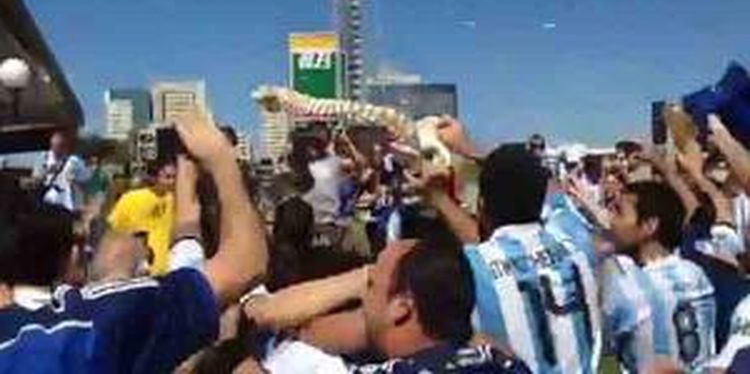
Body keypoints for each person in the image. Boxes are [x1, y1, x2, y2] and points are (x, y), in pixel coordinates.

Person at [0, 112, 268, 373]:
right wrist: (221, 159)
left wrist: (186, 168)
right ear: (72, 256)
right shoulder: (102, 324)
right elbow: (244, 265)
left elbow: (187, 229)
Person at [427, 119, 602, 373]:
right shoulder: (578, 244)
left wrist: (438, 197)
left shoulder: (468, 269)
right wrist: (470, 148)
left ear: (482, 206)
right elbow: (544, 185)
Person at [241, 239, 530, 373]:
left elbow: (260, 316)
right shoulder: (502, 359)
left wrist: (353, 280)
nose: (364, 299)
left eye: (371, 286)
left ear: (401, 307)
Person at [602, 181, 717, 372]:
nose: (610, 220)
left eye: (618, 212)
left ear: (649, 226)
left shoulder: (632, 287)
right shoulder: (696, 273)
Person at [107, 159, 177, 275]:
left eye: (174, 177)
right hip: (140, 270)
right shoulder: (130, 199)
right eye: (167, 177)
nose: (172, 182)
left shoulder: (176, 201)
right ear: (154, 178)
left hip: (168, 269)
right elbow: (115, 232)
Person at [33, 129, 91, 213]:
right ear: (52, 146)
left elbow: (87, 181)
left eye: (62, 146)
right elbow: (35, 179)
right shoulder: (43, 159)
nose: (59, 149)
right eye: (56, 146)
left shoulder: (75, 161)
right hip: (49, 204)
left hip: (70, 206)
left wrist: (75, 180)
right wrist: (46, 172)